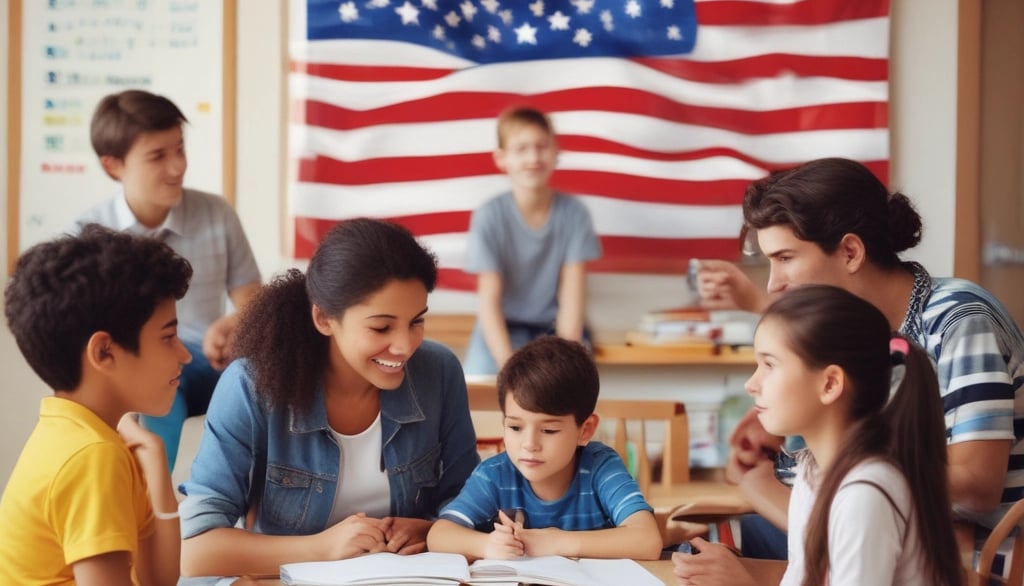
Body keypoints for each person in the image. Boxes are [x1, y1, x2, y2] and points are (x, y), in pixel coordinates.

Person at [696, 157, 1024, 573]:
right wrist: (780, 436)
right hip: (849, 521)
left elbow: (978, 487)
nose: (773, 284)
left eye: (786, 258)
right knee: (696, 546)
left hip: (957, 554)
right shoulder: (848, 328)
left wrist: (773, 482)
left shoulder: (960, 320)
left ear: (850, 252)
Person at [178, 218, 481, 581]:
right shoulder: (251, 385)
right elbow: (196, 550)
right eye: (381, 327)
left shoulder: (439, 371)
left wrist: (433, 530)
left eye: (416, 321)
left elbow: (474, 502)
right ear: (323, 318)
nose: (404, 346)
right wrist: (322, 549)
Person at [674, 285, 964, 586]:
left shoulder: (866, 491)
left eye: (769, 365)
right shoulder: (812, 473)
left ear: (830, 384)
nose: (751, 384)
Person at [75, 89, 262, 472]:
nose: (177, 167)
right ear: (113, 165)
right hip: (139, 370)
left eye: (180, 149)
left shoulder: (217, 213)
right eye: (158, 156)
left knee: (274, 376)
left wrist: (232, 323)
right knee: (158, 388)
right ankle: (153, 501)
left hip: (210, 362)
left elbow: (253, 300)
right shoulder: (90, 236)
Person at [0, 225, 192, 585]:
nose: (184, 355)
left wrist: (154, 458)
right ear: (104, 352)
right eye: (168, 337)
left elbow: (159, 579)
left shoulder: (80, 434)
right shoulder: (93, 456)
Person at [427, 336, 663, 561]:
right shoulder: (494, 475)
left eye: (549, 430)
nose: (529, 444)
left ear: (585, 430)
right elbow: (439, 535)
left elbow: (647, 540)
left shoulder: (601, 467)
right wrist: (486, 545)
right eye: (515, 427)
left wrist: (555, 542)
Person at [462, 106, 602, 375]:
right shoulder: (489, 216)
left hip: (554, 330)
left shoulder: (574, 214)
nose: (533, 157)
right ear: (502, 159)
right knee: (478, 389)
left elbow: (571, 303)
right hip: (501, 328)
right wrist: (509, 369)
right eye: (521, 149)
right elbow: (489, 304)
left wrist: (564, 365)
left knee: (569, 386)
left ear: (556, 152)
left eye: (542, 146)